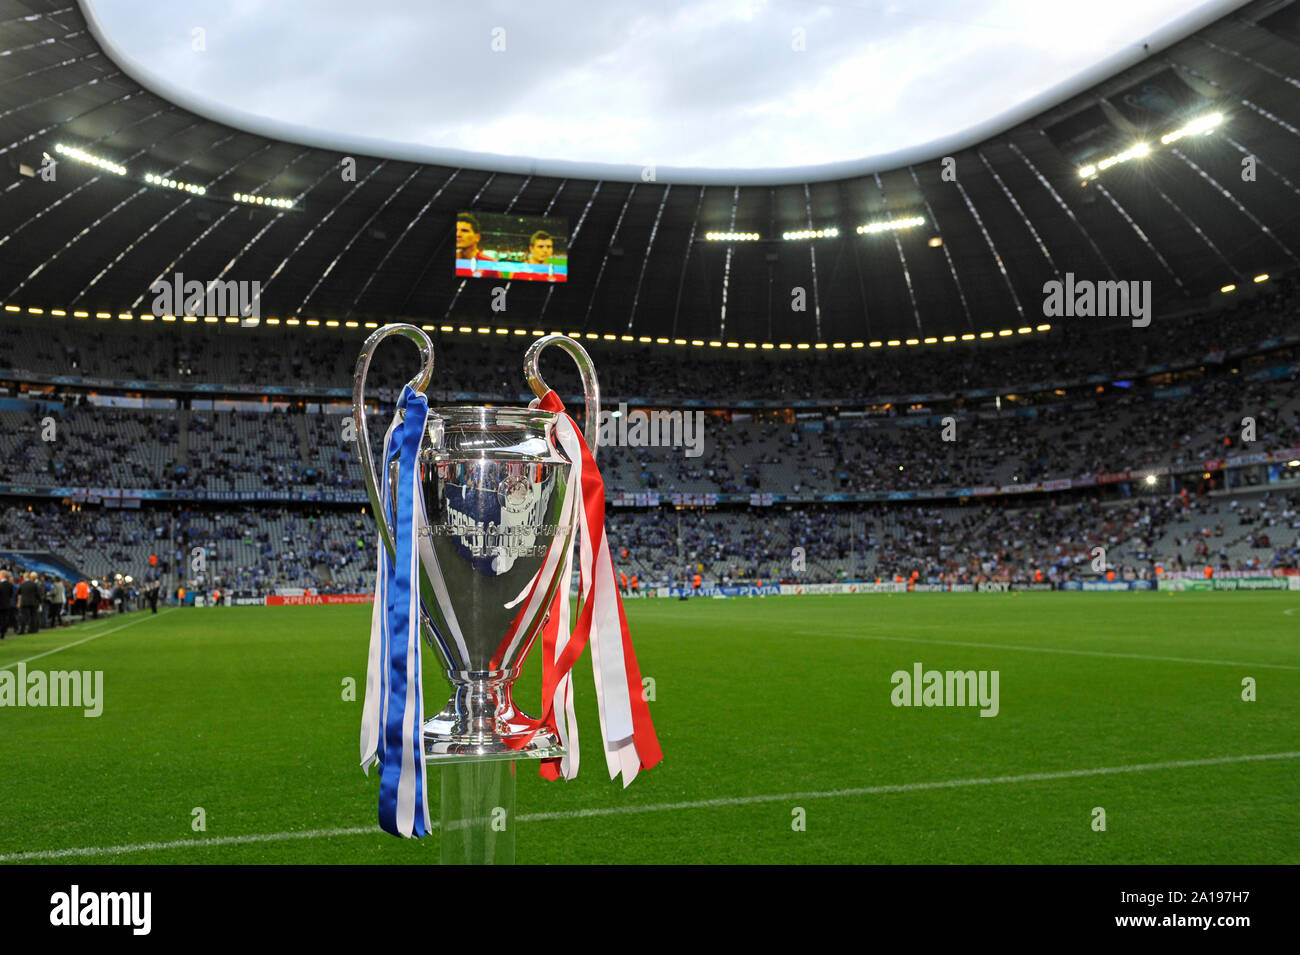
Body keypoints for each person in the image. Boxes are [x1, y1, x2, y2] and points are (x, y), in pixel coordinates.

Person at [454, 213, 500, 279]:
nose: (458, 234)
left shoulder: (489, 264)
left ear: (477, 237)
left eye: (464, 231)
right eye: (456, 230)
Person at [0, 570, 14, 639]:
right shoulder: (10, 585)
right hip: (7, 604)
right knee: (5, 619)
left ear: (2, 575)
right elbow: (11, 595)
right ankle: (3, 633)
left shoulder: (0, 584)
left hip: (1, 604)